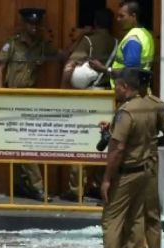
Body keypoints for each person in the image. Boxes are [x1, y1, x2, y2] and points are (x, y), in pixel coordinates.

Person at [81, 69, 163, 248]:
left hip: (126, 173)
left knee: (111, 220)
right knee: (136, 220)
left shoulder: (126, 112)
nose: (114, 90)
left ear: (125, 87)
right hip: (145, 170)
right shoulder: (150, 106)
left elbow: (117, 149)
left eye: (116, 86)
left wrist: (106, 179)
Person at [0, 8, 60, 202]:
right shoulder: (12, 45)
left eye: (37, 24)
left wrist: (82, 41)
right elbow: (0, 68)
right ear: (24, 24)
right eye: (31, 24)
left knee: (26, 141)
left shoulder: (41, 46)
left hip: (30, 99)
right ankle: (33, 186)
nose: (34, 27)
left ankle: (27, 186)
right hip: (12, 98)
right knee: (17, 142)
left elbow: (61, 54)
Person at [61, 8, 116, 202]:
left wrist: (62, 90)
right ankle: (97, 184)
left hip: (86, 96)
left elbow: (69, 65)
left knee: (79, 139)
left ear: (95, 23)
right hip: (106, 96)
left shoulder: (89, 40)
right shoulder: (116, 42)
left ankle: (76, 189)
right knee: (103, 139)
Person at [126, 71, 164, 248]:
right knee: (129, 213)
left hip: (148, 165)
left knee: (151, 214)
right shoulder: (127, 103)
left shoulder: (156, 105)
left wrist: (151, 145)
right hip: (128, 165)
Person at [89, 1, 155, 88]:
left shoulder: (133, 39)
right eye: (118, 16)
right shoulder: (145, 34)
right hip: (139, 91)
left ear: (133, 16)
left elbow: (131, 73)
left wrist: (103, 69)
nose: (118, 19)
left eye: (122, 16)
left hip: (129, 93)